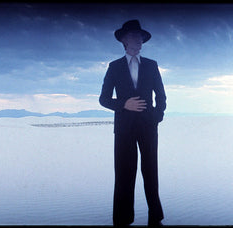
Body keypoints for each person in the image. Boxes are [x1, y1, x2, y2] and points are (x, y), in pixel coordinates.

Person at [99, 19, 166, 226]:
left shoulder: (152, 65)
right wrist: (124, 104)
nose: (139, 40)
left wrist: (156, 117)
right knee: (124, 175)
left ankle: (156, 218)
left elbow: (161, 97)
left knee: (151, 173)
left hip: (148, 127)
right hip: (124, 129)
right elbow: (104, 99)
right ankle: (122, 220)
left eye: (140, 37)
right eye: (134, 36)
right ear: (124, 41)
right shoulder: (114, 67)